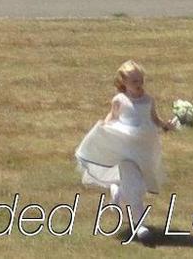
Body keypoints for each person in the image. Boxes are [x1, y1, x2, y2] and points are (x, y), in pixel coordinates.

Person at [75, 59, 177, 243]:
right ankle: (139, 224)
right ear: (124, 83)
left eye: (141, 81)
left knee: (140, 184)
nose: (139, 85)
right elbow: (112, 117)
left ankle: (117, 193)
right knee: (136, 187)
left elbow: (154, 119)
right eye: (134, 82)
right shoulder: (119, 100)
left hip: (145, 148)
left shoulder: (148, 100)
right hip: (126, 149)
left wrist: (165, 125)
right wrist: (103, 129)